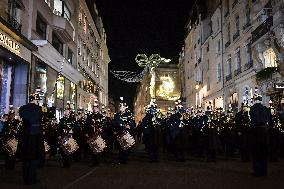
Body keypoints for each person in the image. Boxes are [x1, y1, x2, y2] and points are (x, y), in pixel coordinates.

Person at [18, 95, 44, 185]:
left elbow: (25, 119)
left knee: (25, 159)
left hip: (25, 137)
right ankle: (31, 179)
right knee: (34, 159)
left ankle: (26, 179)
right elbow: (38, 119)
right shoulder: (39, 109)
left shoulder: (22, 108)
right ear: (35, 100)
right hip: (35, 136)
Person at [249, 95, 271, 177]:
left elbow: (252, 119)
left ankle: (257, 171)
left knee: (256, 151)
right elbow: (269, 119)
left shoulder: (253, 108)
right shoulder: (265, 108)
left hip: (256, 130)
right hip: (264, 130)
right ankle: (264, 171)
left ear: (255, 101)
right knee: (264, 150)